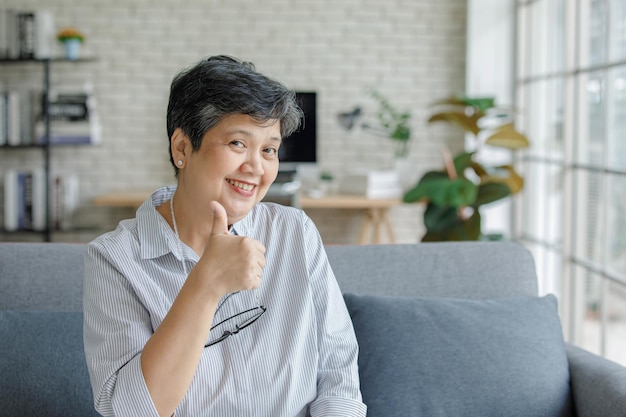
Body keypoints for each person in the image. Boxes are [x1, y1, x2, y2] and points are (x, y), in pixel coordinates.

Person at [83, 55, 367, 417]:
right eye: (237, 143)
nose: (256, 167)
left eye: (269, 149)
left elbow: (339, 374)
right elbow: (131, 410)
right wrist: (206, 283)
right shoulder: (115, 259)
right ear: (182, 148)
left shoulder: (294, 233)